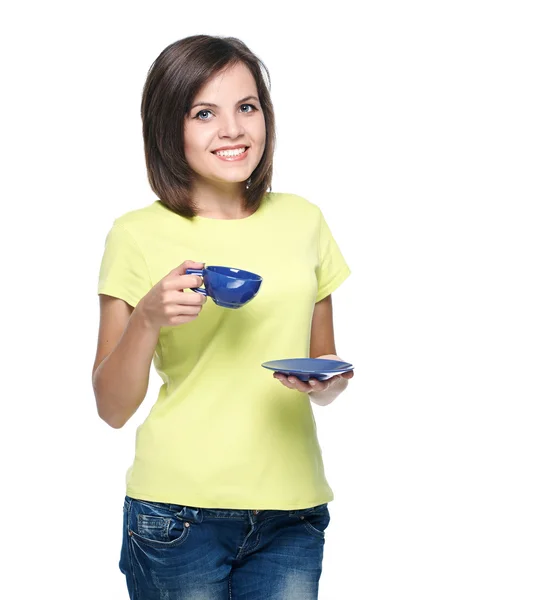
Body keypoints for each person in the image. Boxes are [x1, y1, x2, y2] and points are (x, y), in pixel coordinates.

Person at [93, 34, 354, 600]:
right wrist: (147, 321)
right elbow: (111, 408)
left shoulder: (304, 221)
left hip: (292, 511)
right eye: (204, 112)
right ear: (169, 127)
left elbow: (324, 365)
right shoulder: (135, 235)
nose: (233, 130)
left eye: (247, 107)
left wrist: (327, 381)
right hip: (177, 516)